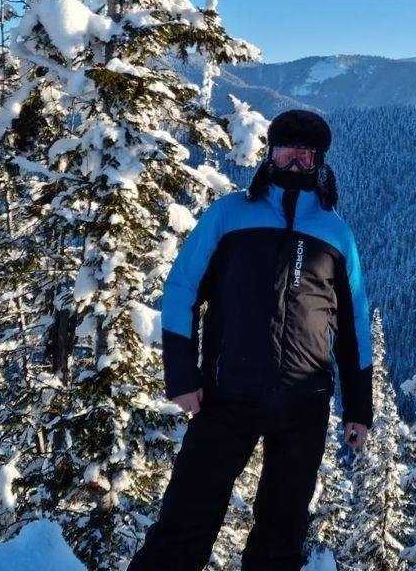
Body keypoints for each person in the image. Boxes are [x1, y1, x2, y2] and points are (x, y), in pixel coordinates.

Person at [128, 109, 373, 571]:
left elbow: (354, 324)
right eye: (288, 150)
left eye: (307, 153)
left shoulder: (336, 232)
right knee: (186, 519)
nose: (297, 161)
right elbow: (181, 291)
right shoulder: (229, 215)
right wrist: (182, 375)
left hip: (305, 403)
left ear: (319, 160)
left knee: (282, 534)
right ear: (270, 153)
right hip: (227, 395)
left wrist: (359, 408)